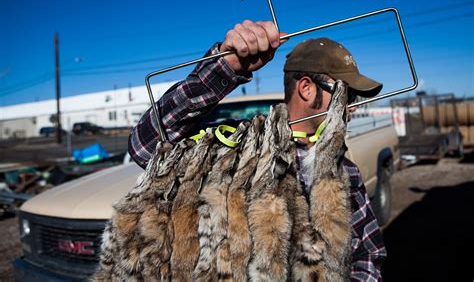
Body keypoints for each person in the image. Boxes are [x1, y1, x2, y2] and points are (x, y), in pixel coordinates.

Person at [128, 20, 387, 281]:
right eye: (347, 95)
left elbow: (368, 253)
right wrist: (226, 68)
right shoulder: (240, 153)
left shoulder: (344, 170)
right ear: (307, 89)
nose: (353, 107)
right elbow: (146, 146)